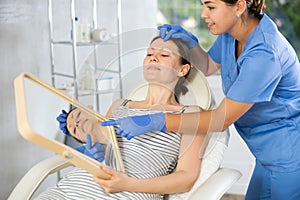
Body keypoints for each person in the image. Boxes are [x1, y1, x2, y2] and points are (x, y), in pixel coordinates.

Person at [101, 0, 300, 199]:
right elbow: (208, 66)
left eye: (211, 7)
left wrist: (157, 120)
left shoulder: (265, 53)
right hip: (266, 154)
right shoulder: (233, 33)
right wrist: (192, 44)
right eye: (203, 5)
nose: (204, 14)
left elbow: (221, 119)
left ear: (239, 7)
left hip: (290, 154)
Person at [35, 36, 207, 200]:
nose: (153, 58)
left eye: (163, 55)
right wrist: (76, 127)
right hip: (71, 189)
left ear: (182, 69)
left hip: (127, 194)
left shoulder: (191, 114)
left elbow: (186, 179)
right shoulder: (120, 105)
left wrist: (129, 184)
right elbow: (98, 145)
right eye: (149, 54)